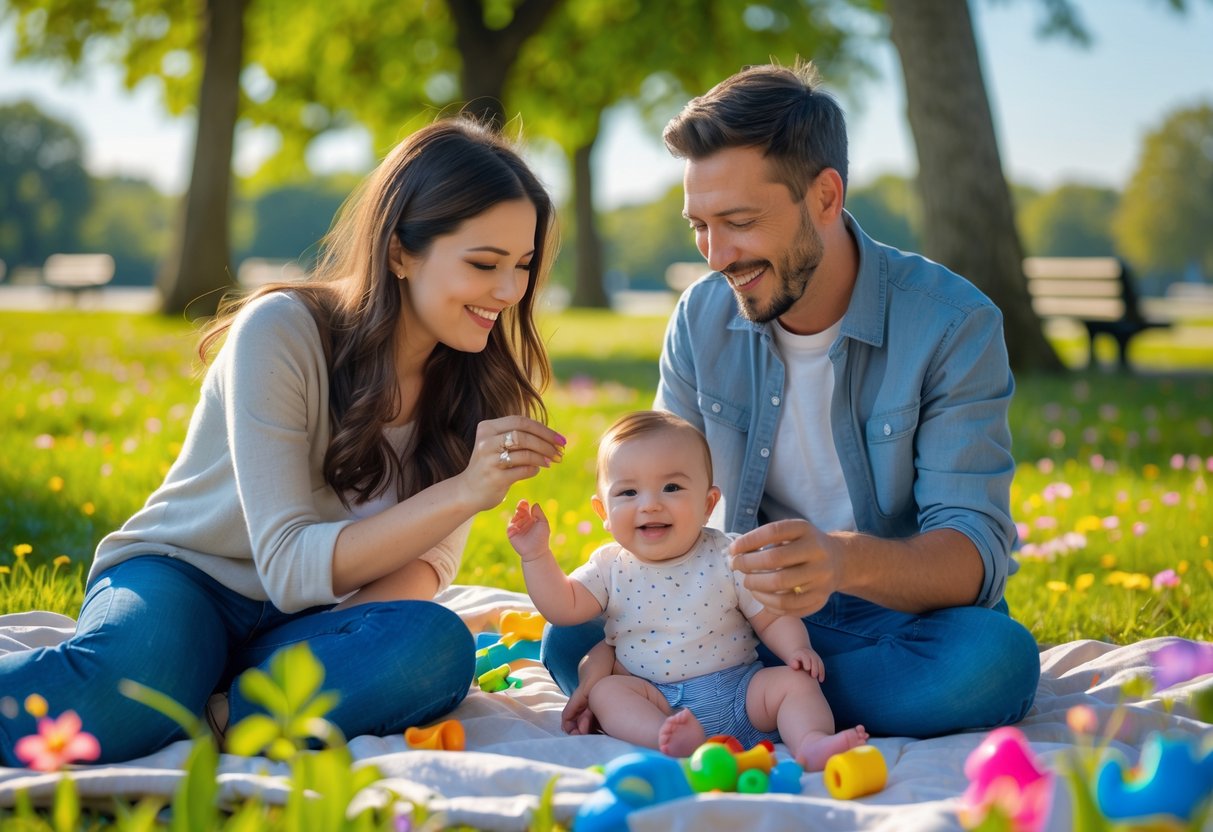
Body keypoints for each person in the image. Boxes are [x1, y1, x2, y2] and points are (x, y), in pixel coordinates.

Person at [0, 118, 567, 765]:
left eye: (521, 266)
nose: (507, 291)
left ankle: (214, 711)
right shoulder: (283, 330)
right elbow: (288, 564)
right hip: (188, 581)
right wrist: (464, 491)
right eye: (484, 263)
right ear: (399, 252)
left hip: (304, 623)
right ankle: (213, 696)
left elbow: (421, 569)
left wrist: (324, 646)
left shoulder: (481, 385)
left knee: (434, 646)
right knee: (131, 680)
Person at [542, 61, 1040, 740]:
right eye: (698, 226)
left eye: (739, 222)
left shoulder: (951, 324)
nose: (715, 255)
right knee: (569, 640)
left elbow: (973, 554)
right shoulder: (700, 318)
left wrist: (840, 561)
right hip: (724, 615)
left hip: (890, 615)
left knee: (992, 662)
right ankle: (760, 700)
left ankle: (697, 700)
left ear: (825, 198)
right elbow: (661, 499)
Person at [508, 411, 867, 767]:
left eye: (672, 487)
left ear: (708, 504)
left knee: (794, 684)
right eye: (629, 491)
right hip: (655, 697)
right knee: (608, 693)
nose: (650, 503)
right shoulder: (609, 567)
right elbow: (563, 608)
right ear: (603, 510)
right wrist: (536, 556)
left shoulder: (729, 554)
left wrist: (797, 649)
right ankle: (668, 737)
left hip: (740, 692)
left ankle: (811, 742)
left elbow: (770, 618)